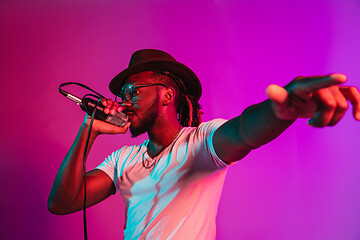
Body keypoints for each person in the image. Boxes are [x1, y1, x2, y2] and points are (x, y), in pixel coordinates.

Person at [48, 49, 360, 239]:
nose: (124, 100)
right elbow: (63, 203)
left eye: (133, 90)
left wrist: (282, 111)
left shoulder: (201, 141)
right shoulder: (122, 160)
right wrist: (88, 131)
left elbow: (243, 131)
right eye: (123, 93)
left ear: (166, 95)